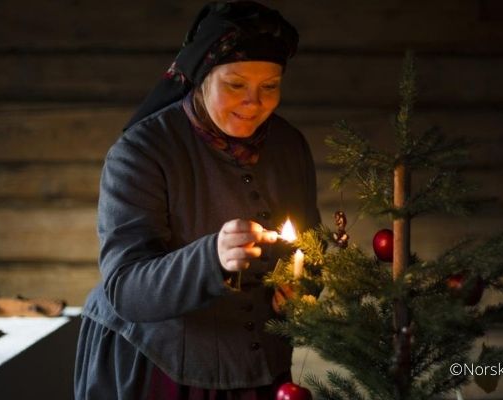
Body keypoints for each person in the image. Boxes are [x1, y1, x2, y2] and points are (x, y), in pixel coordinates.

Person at [74, 1, 320, 399]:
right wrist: (213, 258)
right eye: (235, 84)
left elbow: (310, 245)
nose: (254, 103)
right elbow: (125, 289)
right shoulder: (141, 152)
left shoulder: (289, 146)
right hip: (161, 365)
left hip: (262, 367)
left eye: (270, 87)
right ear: (202, 78)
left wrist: (303, 288)